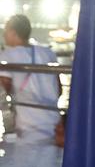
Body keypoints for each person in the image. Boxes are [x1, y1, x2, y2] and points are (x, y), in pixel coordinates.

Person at [1, 14, 61, 143]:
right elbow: (59, 89)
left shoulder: (7, 56)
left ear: (12, 33)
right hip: (54, 124)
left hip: (28, 127)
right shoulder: (47, 53)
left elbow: (2, 91)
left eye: (5, 32)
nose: (4, 35)